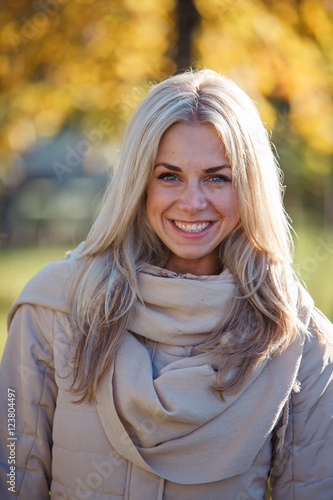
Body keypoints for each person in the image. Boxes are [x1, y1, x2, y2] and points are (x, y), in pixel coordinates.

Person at [0, 69, 332, 500]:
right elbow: (11, 472)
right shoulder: (55, 309)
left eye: (218, 177)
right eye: (168, 175)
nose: (192, 203)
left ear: (250, 187)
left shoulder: (298, 340)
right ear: (138, 183)